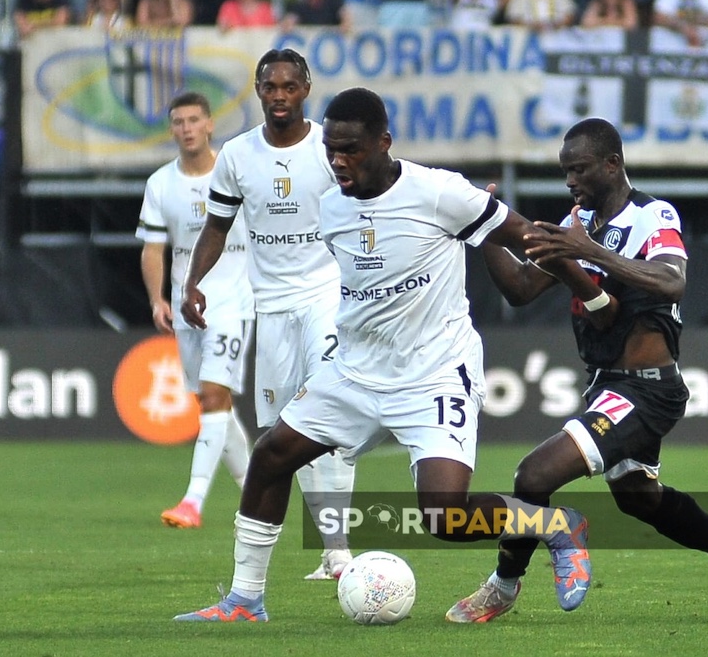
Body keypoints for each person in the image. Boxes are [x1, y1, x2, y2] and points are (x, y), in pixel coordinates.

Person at [173, 86, 612, 622]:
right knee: (271, 457)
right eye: (331, 150)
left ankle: (558, 525)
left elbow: (528, 241)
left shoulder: (441, 192)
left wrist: (593, 293)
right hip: (355, 370)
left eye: (351, 149)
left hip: (433, 372)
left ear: (384, 143)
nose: (338, 161)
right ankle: (244, 600)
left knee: (443, 517)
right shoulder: (330, 206)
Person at [447, 117, 708, 624]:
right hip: (610, 385)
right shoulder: (580, 224)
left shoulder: (652, 215)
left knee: (533, 475)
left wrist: (588, 251)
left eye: (579, 169)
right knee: (639, 499)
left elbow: (671, 282)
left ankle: (503, 585)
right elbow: (519, 289)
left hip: (647, 390)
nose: (570, 181)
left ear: (613, 164)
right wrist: (486, 230)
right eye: (565, 172)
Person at [178, 49, 356, 582]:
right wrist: (192, 281)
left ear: (306, 89)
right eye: (269, 87)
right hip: (270, 305)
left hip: (327, 294)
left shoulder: (330, 148)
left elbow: (365, 207)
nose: (279, 96)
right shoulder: (236, 155)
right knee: (283, 433)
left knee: (330, 413)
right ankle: (330, 547)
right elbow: (217, 226)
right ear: (258, 91)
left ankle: (340, 550)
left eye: (288, 86)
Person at [137, 92, 256, 529]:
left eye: (193, 120)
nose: (186, 128)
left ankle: (193, 500)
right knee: (214, 405)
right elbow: (153, 247)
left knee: (212, 396)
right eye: (178, 122)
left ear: (209, 125)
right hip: (188, 305)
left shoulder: (236, 170)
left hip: (234, 300)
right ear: (172, 129)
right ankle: (256, 495)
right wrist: (157, 298)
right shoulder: (160, 184)